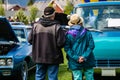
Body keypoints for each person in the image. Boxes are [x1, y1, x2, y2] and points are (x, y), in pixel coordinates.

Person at [28, 7, 66, 80]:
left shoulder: (36, 26)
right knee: (52, 77)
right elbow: (61, 43)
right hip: (53, 57)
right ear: (53, 14)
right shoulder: (57, 27)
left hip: (39, 56)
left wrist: (38, 44)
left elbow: (29, 40)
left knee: (39, 76)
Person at [64, 14, 95, 80]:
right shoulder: (87, 32)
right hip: (88, 59)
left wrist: (77, 58)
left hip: (74, 60)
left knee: (77, 77)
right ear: (81, 22)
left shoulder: (68, 34)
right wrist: (84, 56)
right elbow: (91, 46)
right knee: (90, 77)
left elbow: (67, 48)